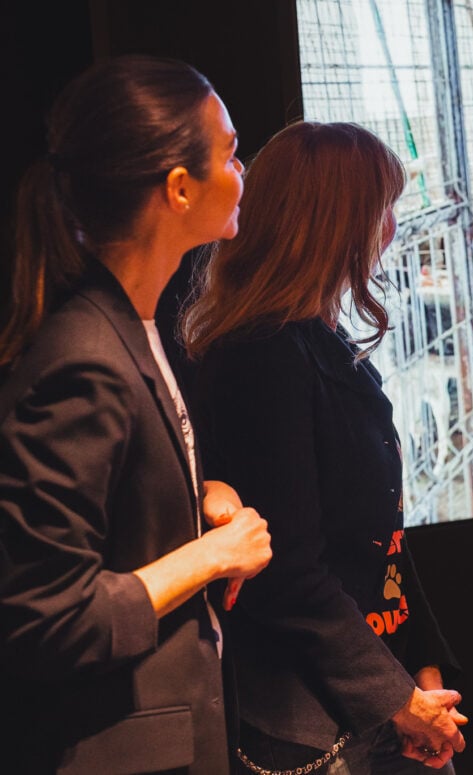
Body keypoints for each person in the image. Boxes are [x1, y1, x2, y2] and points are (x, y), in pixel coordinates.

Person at [0, 54, 273, 774]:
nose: (242, 172)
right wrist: (210, 554)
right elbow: (44, 618)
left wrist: (197, 500)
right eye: (231, 153)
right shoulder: (83, 354)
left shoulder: (137, 325)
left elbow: (116, 522)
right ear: (179, 188)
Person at [180, 120, 467, 774]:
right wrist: (398, 697)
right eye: (382, 207)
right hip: (313, 727)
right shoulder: (264, 355)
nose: (392, 227)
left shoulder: (316, 342)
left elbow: (378, 537)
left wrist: (422, 673)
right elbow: (289, 576)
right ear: (335, 218)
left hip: (376, 703)